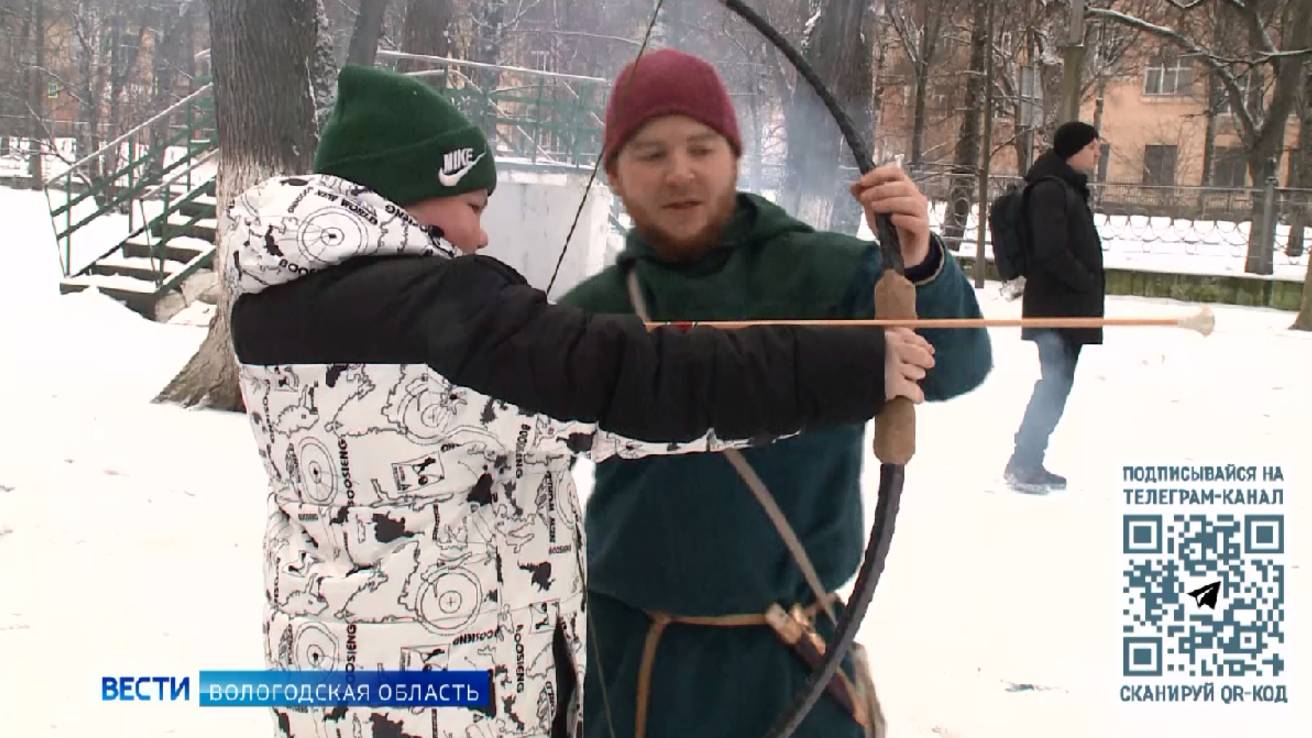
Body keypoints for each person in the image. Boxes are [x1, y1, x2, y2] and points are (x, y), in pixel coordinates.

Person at [225, 65, 936, 738]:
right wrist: (845, 367)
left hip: (329, 670)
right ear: (405, 195)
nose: (480, 234)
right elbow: (639, 381)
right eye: (471, 206)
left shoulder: (269, 304)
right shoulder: (441, 317)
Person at [559, 49, 992, 738]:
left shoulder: (829, 274)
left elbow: (955, 366)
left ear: (733, 156)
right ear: (613, 175)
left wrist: (920, 263)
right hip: (639, 664)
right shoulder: (590, 311)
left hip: (795, 659)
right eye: (649, 153)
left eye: (702, 146)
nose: (679, 171)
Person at [1005, 121, 1106, 492]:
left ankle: (1029, 459)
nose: (1097, 152)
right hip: (1057, 308)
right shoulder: (1051, 190)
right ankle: (1023, 463)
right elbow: (1050, 251)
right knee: (1054, 384)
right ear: (1074, 150)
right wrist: (1085, 281)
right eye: (1093, 146)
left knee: (1057, 384)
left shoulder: (1068, 188)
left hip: (1067, 307)